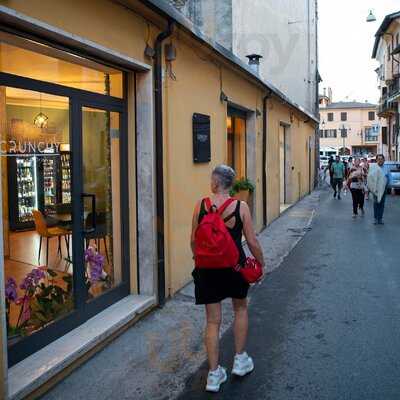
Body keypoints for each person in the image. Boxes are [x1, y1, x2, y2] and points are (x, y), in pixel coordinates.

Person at [190, 165, 265, 392]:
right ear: (231, 184)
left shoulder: (201, 205)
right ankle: (240, 361)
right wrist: (261, 262)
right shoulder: (240, 207)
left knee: (213, 321)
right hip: (235, 268)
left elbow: (193, 240)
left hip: (207, 270)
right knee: (240, 309)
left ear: (214, 183)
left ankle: (214, 375)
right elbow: (251, 241)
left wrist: (200, 260)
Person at [367, 154, 390, 225]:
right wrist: (369, 188)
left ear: (384, 160)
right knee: (376, 203)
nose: (380, 160)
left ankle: (380, 219)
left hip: (384, 188)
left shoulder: (387, 168)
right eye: (378, 159)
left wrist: (391, 187)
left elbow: (389, 178)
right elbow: (369, 178)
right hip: (375, 188)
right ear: (376, 160)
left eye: (381, 159)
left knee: (382, 204)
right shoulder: (373, 168)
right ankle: (375, 218)